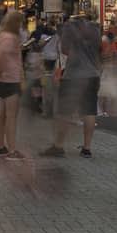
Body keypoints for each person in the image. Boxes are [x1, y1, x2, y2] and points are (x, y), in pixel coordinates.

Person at [44, 9, 101, 157]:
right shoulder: (96, 29)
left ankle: (58, 146)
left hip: (74, 75)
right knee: (89, 110)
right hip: (93, 73)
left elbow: (64, 49)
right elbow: (98, 50)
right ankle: (87, 148)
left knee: (65, 111)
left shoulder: (70, 27)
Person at [0, 9, 24, 158]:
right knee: (11, 116)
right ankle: (12, 149)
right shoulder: (10, 37)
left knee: (3, 115)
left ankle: (0, 146)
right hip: (10, 78)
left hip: (3, 79)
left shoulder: (1, 35)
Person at [99, 27, 117, 117]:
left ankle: (105, 111)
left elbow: (99, 59)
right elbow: (116, 62)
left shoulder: (105, 46)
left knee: (105, 93)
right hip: (110, 71)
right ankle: (110, 111)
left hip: (105, 71)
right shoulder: (112, 48)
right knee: (111, 93)